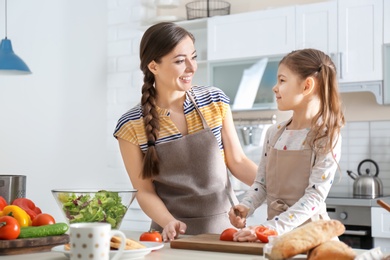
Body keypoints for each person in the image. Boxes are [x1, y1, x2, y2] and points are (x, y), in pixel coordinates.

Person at [113, 22, 257, 241]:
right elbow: (144, 191)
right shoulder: (131, 125)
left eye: (194, 57)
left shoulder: (214, 101)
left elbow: (237, 161)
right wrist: (168, 222)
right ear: (154, 66)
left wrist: (279, 190)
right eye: (180, 61)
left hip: (226, 231)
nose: (192, 67)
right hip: (172, 235)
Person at [229, 48, 345, 241]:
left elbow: (314, 198)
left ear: (307, 86)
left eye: (282, 80)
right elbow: (262, 184)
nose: (275, 87)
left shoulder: (326, 136)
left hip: (313, 238)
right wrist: (246, 206)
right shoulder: (274, 133)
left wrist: (270, 228)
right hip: (276, 237)